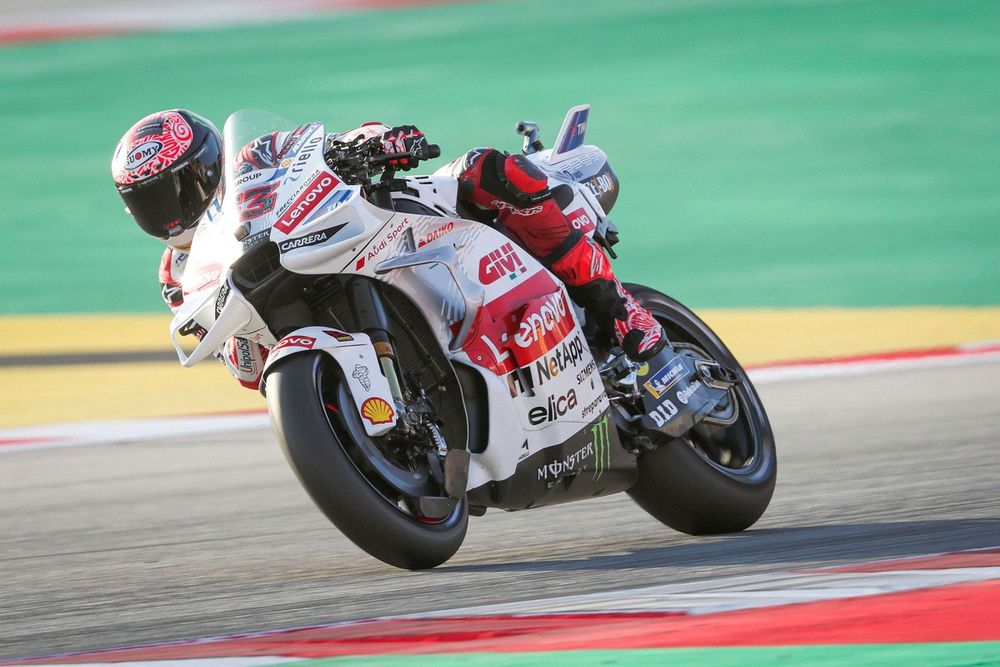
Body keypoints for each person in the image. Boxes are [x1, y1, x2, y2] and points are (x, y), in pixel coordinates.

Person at [111, 109, 664, 390]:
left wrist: (375, 142)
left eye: (179, 187)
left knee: (484, 169)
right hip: (310, 312)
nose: (170, 211)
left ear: (209, 164)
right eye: (151, 200)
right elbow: (244, 364)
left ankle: (622, 309)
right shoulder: (179, 274)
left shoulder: (256, 158)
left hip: (379, 219)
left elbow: (322, 146)